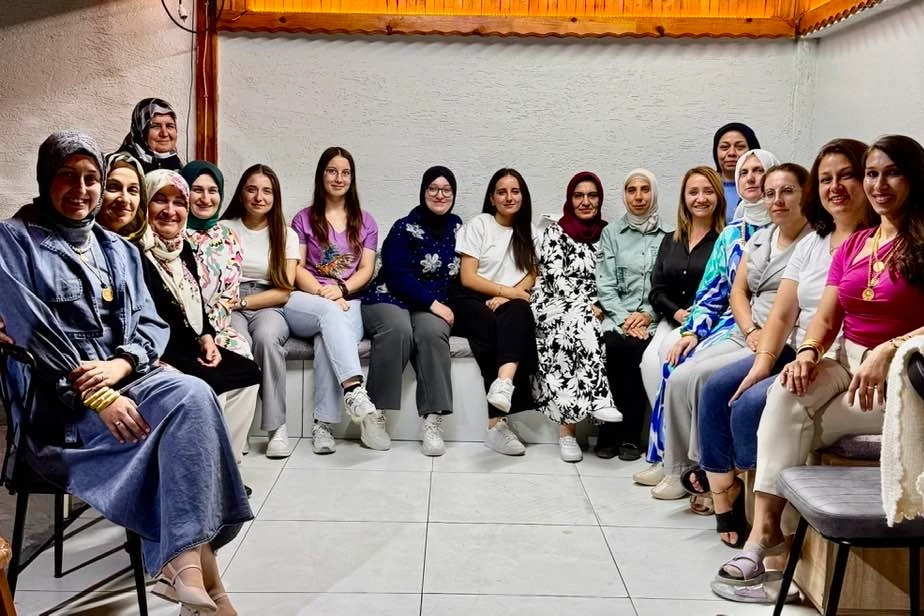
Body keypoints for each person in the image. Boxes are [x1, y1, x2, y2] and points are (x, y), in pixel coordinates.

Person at [0, 131, 251, 615]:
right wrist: (101, 397)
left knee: (194, 393)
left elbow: (151, 324)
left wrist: (121, 364)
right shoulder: (13, 240)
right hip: (62, 409)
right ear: (45, 177)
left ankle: (183, 568)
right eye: (67, 176)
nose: (81, 189)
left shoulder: (117, 248)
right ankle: (203, 582)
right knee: (177, 434)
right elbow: (32, 327)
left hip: (127, 379)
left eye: (90, 178)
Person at [715, 135, 924, 601]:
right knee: (787, 392)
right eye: (872, 174)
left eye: (892, 173)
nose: (879, 185)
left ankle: (783, 553)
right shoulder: (856, 245)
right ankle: (766, 535)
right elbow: (827, 318)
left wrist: (891, 348)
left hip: (901, 379)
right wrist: (808, 352)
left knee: (793, 424)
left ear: (914, 178)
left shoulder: (922, 240)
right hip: (847, 361)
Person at [697, 139, 875, 550]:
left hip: (837, 357)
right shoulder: (815, 242)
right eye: (826, 179)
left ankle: (763, 519)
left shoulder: (876, 241)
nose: (835, 187)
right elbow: (782, 312)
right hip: (805, 349)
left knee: (750, 405)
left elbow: (836, 319)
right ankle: (729, 495)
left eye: (847, 176)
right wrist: (763, 363)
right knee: (717, 387)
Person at [660, 163, 811, 541]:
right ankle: (703, 479)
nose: (777, 200)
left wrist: (765, 339)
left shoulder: (814, 242)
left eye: (787, 191)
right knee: (686, 375)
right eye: (770, 192)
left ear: (805, 195)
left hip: (785, 340)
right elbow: (736, 292)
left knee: (718, 387)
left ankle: (722, 481)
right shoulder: (757, 238)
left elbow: (792, 310)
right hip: (749, 330)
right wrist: (748, 330)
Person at [640, 148, 780, 497]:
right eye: (744, 172)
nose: (751, 178)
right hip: (729, 323)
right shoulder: (732, 234)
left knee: (702, 377)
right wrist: (691, 332)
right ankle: (675, 466)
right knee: (677, 364)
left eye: (758, 171)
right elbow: (711, 293)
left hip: (767, 328)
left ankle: (702, 470)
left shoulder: (789, 228)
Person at [138, 169, 261, 466]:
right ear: (145, 203)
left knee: (248, 374)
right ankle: (202, 470)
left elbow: (197, 304)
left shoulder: (182, 249)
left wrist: (207, 338)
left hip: (190, 342)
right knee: (211, 383)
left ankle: (226, 465)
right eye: (160, 200)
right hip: (159, 349)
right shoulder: (136, 251)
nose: (170, 211)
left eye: (178, 202)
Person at [361, 166, 462, 456]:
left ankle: (433, 420)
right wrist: (433, 304)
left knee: (433, 333)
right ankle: (375, 415)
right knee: (398, 329)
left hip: (430, 307)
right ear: (423, 191)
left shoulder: (458, 228)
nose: (440, 195)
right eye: (433, 188)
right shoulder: (403, 227)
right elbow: (395, 274)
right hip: (388, 297)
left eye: (446, 189)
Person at [286, 147, 381, 454]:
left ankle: (323, 425)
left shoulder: (366, 222)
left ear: (352, 178)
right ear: (321, 175)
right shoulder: (303, 219)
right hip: (307, 299)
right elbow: (296, 268)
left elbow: (366, 269)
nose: (339, 178)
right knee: (330, 319)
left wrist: (340, 288)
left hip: (348, 300)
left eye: (345, 172)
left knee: (327, 339)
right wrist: (323, 293)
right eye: (332, 171)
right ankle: (354, 391)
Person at [531, 171, 620, 463]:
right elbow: (555, 276)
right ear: (570, 200)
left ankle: (593, 412)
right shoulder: (556, 232)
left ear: (600, 200)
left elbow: (613, 276)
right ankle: (569, 430)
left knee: (592, 326)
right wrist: (585, 304)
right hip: (554, 301)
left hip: (596, 305)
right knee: (574, 326)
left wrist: (600, 304)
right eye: (578, 196)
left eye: (592, 196)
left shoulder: (608, 234)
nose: (585, 202)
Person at [449, 168, 538, 456]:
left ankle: (504, 383)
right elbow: (468, 277)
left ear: (523, 196)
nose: (509, 197)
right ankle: (496, 424)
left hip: (504, 300)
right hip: (468, 298)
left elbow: (532, 274)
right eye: (502, 192)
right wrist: (506, 292)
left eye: (515, 191)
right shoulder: (480, 224)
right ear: (492, 198)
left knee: (521, 313)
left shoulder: (529, 231)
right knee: (491, 326)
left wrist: (510, 296)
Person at [220, 164, 299, 459]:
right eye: (252, 189)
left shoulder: (286, 234)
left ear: (275, 197)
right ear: (241, 193)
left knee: (266, 339)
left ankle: (277, 428)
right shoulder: (224, 229)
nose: (259, 197)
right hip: (229, 300)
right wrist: (232, 303)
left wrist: (244, 303)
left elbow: (284, 289)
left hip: (269, 302)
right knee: (238, 343)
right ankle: (236, 430)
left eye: (267, 191)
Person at [595, 169, 670, 461]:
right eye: (631, 190)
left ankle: (629, 435)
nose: (638, 197)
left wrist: (647, 315)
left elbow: (667, 286)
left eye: (644, 190)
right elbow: (605, 283)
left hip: (652, 319)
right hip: (617, 317)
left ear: (654, 193)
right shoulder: (611, 234)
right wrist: (625, 318)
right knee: (614, 347)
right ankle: (608, 431)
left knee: (639, 350)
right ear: (624, 195)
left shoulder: (670, 236)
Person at [641, 167, 726, 411]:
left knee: (674, 360)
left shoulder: (726, 239)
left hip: (707, 324)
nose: (701, 198)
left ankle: (678, 424)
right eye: (693, 192)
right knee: (649, 363)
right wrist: (677, 313)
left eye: (708, 191)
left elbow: (728, 290)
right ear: (684, 199)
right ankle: (662, 424)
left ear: (718, 196)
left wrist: (696, 317)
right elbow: (657, 291)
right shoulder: (670, 240)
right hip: (672, 319)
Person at [181, 160, 253, 360]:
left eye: (212, 191)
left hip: (217, 331)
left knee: (243, 356)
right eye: (197, 190)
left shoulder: (229, 237)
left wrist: (209, 334)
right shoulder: (172, 234)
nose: (205, 198)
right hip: (178, 332)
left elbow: (229, 297)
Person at [117, 98, 183, 173]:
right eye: (155, 126)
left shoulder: (172, 161)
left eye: (169, 126)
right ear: (141, 132)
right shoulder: (125, 164)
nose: (164, 134)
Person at [712, 123, 761, 221]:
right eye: (724, 147)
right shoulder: (706, 185)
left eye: (740, 147)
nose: (731, 153)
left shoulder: (765, 186)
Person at [96, 152, 147, 241]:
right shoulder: (79, 243)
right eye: (113, 187)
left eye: (132, 190)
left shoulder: (143, 245)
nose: (125, 199)